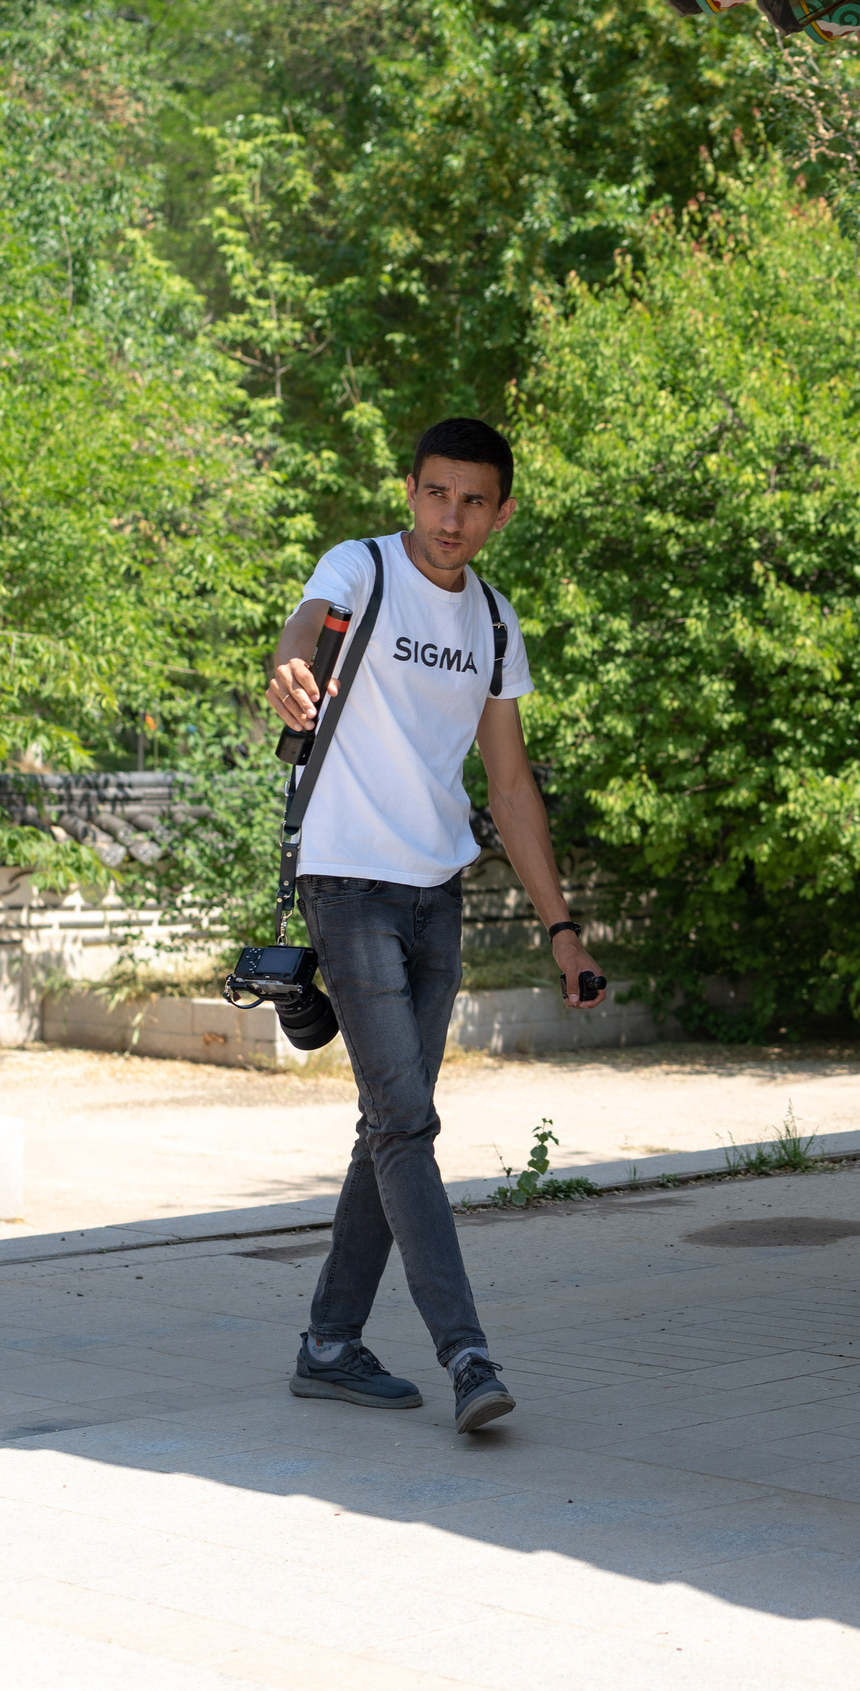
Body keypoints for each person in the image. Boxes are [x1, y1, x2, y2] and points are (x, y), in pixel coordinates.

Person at [261, 416, 602, 1435]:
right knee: (407, 1121)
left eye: (473, 501)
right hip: (348, 882)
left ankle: (329, 1344)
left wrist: (561, 928)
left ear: (500, 512)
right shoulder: (360, 568)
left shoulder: (494, 623)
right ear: (410, 489)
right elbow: (303, 634)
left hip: (435, 890)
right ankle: (466, 1354)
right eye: (435, 494)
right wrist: (287, 672)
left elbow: (508, 783)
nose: (450, 518)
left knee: (389, 1123)